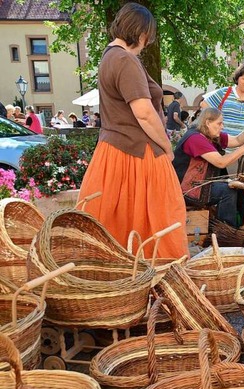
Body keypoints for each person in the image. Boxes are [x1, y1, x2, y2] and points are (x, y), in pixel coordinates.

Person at [78, 2, 188, 259]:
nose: (148, 42)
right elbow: (144, 113)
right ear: (140, 33)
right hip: (137, 153)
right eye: (148, 36)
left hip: (116, 152)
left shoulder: (109, 57)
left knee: (124, 222)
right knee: (158, 221)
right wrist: (167, 147)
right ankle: (159, 283)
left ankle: (129, 286)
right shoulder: (124, 59)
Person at [173, 107, 244, 227]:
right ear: (207, 123)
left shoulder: (209, 135)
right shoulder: (195, 138)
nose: (222, 126)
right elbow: (221, 162)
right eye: (219, 123)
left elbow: (237, 140)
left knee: (241, 188)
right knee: (227, 191)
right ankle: (226, 229)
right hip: (188, 190)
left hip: (201, 185)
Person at [200, 64, 244, 137]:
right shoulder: (225, 92)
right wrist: (215, 122)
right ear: (237, 78)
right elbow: (204, 104)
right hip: (225, 144)